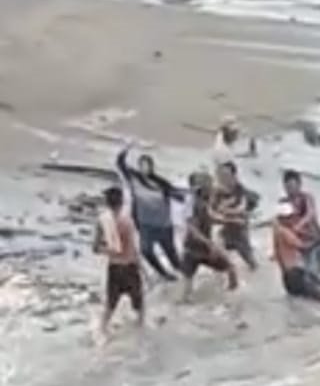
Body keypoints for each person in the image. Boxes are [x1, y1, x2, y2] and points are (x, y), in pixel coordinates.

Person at [115, 143, 183, 280]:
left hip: (164, 226)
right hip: (145, 225)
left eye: (147, 165)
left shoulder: (161, 183)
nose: (145, 168)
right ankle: (164, 275)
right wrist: (126, 148)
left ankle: (185, 274)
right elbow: (120, 164)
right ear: (139, 167)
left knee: (173, 256)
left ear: (152, 167)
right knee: (146, 251)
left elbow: (178, 196)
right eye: (142, 165)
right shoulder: (134, 178)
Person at [93, 185, 144, 335]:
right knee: (139, 304)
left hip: (114, 267)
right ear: (122, 202)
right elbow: (133, 248)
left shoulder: (102, 221)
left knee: (110, 305)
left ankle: (102, 331)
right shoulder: (127, 221)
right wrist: (142, 267)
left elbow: (95, 248)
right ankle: (141, 330)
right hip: (130, 267)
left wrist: (109, 251)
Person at [180, 172, 238, 301]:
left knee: (186, 288)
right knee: (230, 268)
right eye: (210, 186)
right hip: (199, 249)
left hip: (192, 249)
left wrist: (226, 221)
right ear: (203, 189)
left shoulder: (201, 203)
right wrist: (209, 244)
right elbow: (193, 229)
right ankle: (232, 300)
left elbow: (209, 218)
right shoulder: (195, 206)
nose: (212, 189)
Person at [272, 203, 320, 303]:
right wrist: (319, 241)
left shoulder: (277, 230)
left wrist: (314, 237)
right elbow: (304, 248)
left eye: (292, 216)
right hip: (294, 273)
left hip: (286, 275)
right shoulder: (285, 232)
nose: (292, 219)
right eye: (289, 217)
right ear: (281, 219)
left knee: (298, 302)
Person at [212, 161, 257, 270]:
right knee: (217, 255)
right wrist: (225, 210)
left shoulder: (240, 189)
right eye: (222, 175)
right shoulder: (217, 192)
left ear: (234, 175)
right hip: (225, 228)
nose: (224, 178)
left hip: (239, 230)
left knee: (250, 261)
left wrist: (224, 210)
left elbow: (241, 208)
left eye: (227, 175)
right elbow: (213, 209)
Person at [283, 169, 320, 277]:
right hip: (302, 244)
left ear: (299, 185)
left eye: (292, 186)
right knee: (309, 271)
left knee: (317, 271)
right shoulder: (283, 203)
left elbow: (311, 213)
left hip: (317, 240)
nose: (290, 190)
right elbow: (281, 224)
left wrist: (298, 225)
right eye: (287, 187)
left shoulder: (307, 198)